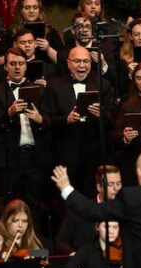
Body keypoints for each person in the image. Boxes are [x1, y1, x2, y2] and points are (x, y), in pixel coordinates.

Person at [0, 46, 51, 221]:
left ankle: (34, 239)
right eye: (13, 64)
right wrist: (10, 113)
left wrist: (39, 119)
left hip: (34, 157)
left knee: (34, 207)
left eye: (21, 64)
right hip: (9, 158)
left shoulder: (40, 90)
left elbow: (50, 123)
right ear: (5, 66)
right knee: (11, 209)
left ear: (26, 65)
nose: (17, 67)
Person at [43, 45, 115, 195]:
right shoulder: (54, 85)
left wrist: (101, 114)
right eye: (77, 61)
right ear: (68, 63)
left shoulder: (103, 84)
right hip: (65, 155)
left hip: (94, 155)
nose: (82, 65)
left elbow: (112, 119)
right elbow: (47, 119)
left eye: (86, 61)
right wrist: (66, 120)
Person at [55, 164, 122, 255]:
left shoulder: (126, 210)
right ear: (99, 187)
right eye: (111, 184)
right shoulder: (77, 211)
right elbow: (60, 242)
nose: (116, 188)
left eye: (118, 184)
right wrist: (75, 256)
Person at [7, 0, 64, 66]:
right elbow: (0, 61)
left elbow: (62, 62)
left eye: (35, 7)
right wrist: (15, 50)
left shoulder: (50, 31)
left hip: (46, 70)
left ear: (39, 10)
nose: (31, 11)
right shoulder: (12, 31)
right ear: (21, 10)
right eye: (27, 8)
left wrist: (48, 49)